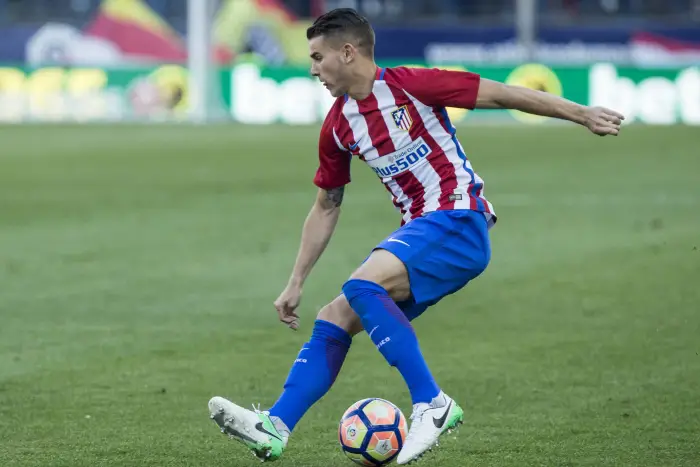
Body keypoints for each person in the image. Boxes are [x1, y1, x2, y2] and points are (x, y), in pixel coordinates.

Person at [207, 7, 624, 465]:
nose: (312, 69)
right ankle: (276, 426)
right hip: (427, 231)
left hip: (458, 219)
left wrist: (581, 113)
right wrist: (296, 281)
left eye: (318, 57)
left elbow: (502, 95)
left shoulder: (413, 85)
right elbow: (327, 204)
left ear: (348, 52)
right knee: (336, 316)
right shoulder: (338, 125)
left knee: (362, 285)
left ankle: (432, 403)